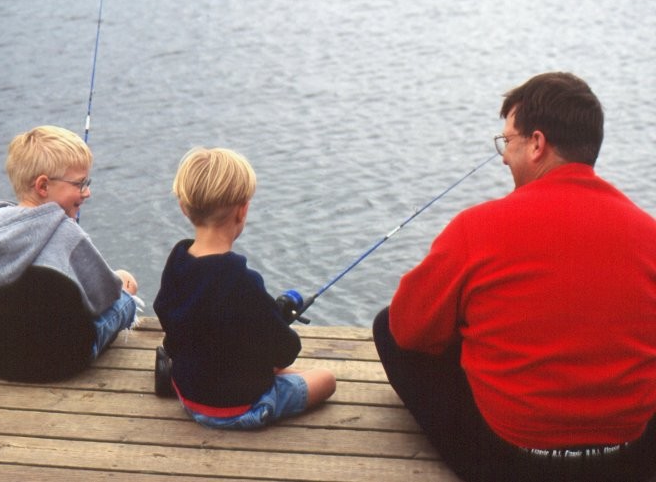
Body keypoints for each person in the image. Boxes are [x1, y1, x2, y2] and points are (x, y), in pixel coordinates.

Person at [373, 72, 656, 481]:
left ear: (537, 144)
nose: (504, 156)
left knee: (386, 325)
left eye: (508, 141)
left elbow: (407, 330)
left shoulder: (477, 228)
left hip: (509, 464)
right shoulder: (648, 233)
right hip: (632, 459)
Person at [153, 147, 336, 430]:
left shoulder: (177, 261)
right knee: (326, 379)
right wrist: (278, 323)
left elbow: (167, 313)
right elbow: (285, 351)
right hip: (240, 408)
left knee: (262, 364)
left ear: (184, 207)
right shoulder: (242, 281)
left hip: (189, 396)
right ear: (243, 210)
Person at [0, 125, 142, 365]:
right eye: (80, 184)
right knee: (126, 290)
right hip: (63, 361)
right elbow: (104, 297)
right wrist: (120, 282)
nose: (87, 193)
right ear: (43, 186)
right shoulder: (68, 236)